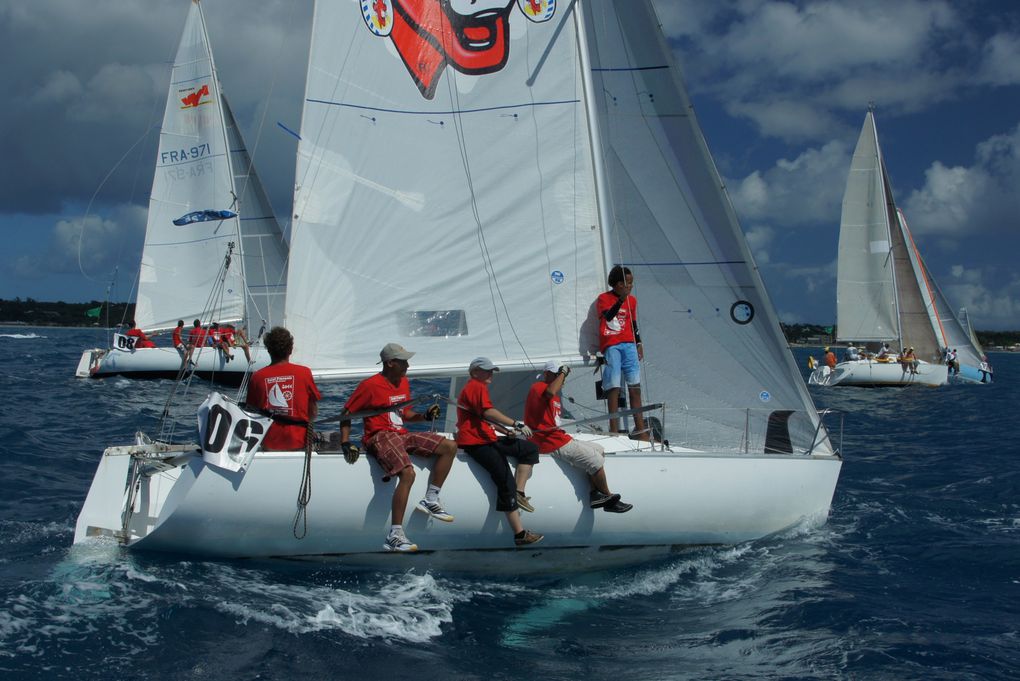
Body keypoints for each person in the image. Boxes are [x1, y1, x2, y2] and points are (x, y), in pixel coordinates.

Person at [339, 343, 458, 553]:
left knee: (449, 446)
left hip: (400, 434)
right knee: (408, 473)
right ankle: (395, 534)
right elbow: (346, 413)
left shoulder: (403, 382)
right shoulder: (370, 386)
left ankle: (430, 499)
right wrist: (345, 442)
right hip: (379, 436)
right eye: (403, 361)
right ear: (390, 362)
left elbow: (406, 415)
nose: (408, 365)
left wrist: (425, 416)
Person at [525, 360, 633, 513]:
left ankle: (594, 493)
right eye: (557, 375)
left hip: (558, 438)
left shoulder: (554, 394)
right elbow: (549, 392)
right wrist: (563, 372)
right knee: (595, 460)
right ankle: (609, 498)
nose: (562, 379)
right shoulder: (539, 388)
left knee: (599, 449)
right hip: (550, 442)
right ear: (548, 374)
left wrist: (561, 375)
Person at [456, 357, 543, 547]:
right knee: (504, 479)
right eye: (486, 370)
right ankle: (519, 534)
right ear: (474, 372)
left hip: (487, 438)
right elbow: (487, 412)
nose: (491, 374)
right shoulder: (475, 386)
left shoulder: (477, 387)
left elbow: (482, 417)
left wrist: (505, 432)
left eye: (492, 371)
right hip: (475, 442)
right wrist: (516, 424)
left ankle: (519, 492)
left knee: (529, 448)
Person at [244, 326, 321, 451]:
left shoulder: (257, 377)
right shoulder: (304, 373)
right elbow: (313, 412)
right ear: (290, 350)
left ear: (268, 350)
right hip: (299, 442)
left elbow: (251, 415)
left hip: (269, 443)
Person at [596, 265, 649, 440]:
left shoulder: (632, 301)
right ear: (618, 284)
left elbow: (633, 323)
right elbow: (608, 316)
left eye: (632, 283)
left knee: (635, 386)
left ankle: (640, 430)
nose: (631, 286)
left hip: (629, 344)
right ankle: (614, 429)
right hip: (612, 343)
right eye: (628, 283)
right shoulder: (604, 298)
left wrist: (639, 342)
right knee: (614, 385)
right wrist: (621, 300)